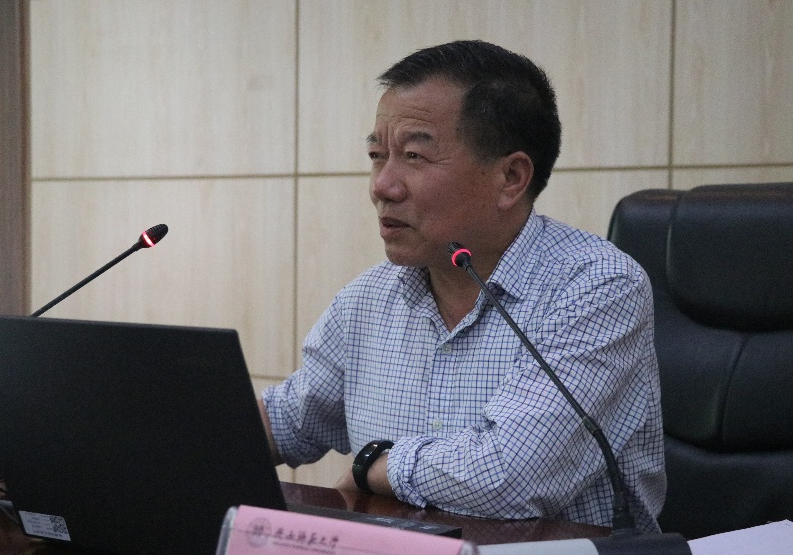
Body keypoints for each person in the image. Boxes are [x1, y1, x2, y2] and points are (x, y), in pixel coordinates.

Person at [259, 40, 665, 532]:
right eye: (377, 155)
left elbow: (513, 477)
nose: (382, 186)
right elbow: (288, 420)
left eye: (414, 155)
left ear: (510, 177)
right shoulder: (368, 300)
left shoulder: (597, 287)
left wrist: (374, 466)